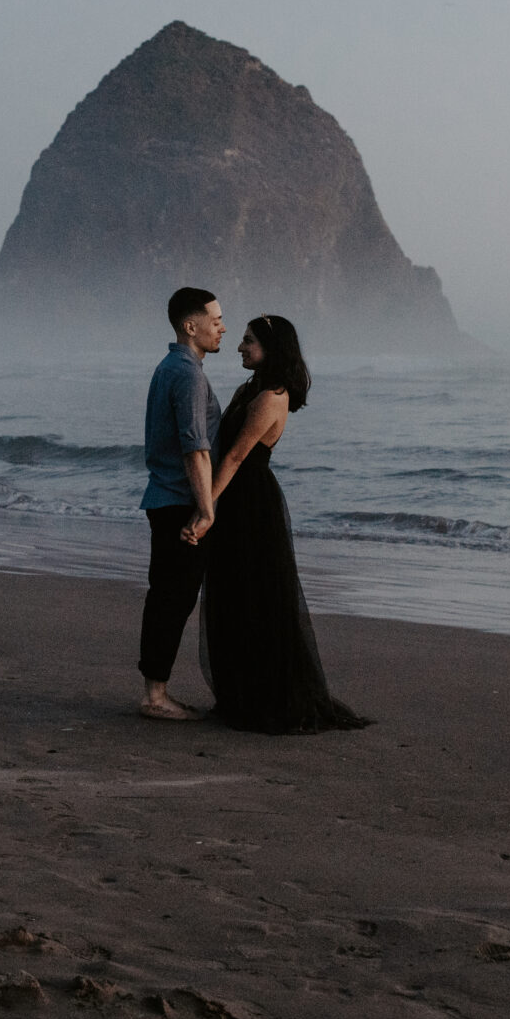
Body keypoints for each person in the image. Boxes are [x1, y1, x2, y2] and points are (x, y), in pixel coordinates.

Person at [190, 315, 369, 734]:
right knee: (232, 593)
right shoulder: (248, 388)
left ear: (272, 348)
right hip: (235, 498)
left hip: (253, 504)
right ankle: (240, 693)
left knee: (259, 595)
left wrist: (204, 509)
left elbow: (235, 457)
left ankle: (265, 697)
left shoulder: (273, 396)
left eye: (249, 341)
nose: (239, 347)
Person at [135, 286, 223, 720]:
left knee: (165, 598)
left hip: (162, 498)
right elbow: (196, 449)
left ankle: (155, 691)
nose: (222, 327)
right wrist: (206, 510)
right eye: (215, 320)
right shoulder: (188, 374)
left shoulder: (168, 367)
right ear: (191, 326)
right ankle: (155, 697)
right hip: (178, 504)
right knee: (174, 600)